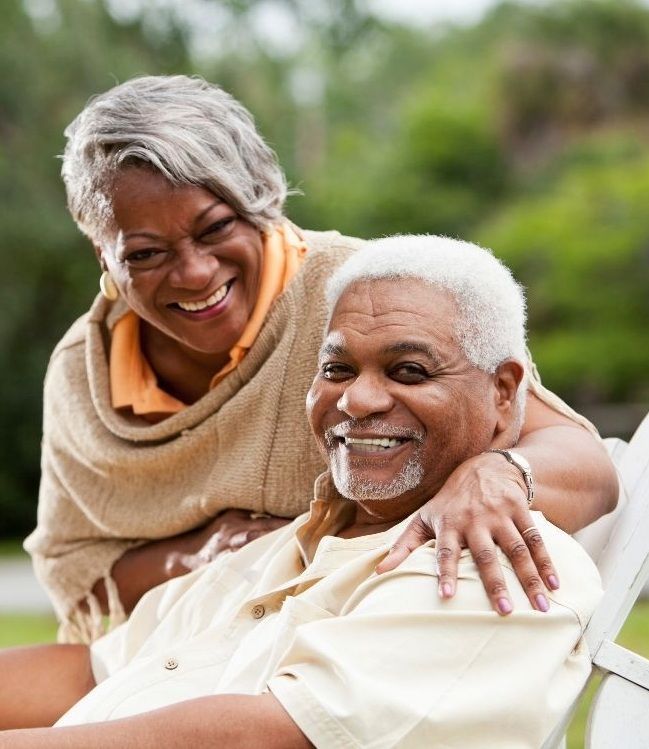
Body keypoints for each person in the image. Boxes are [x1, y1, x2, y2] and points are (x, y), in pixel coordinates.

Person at [24, 74, 617, 643]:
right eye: (146, 254)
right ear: (103, 254)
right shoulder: (83, 371)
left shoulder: (366, 298)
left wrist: (499, 472)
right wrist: (213, 554)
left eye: (216, 228)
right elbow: (77, 567)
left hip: (358, 637)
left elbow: (583, 464)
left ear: (261, 203)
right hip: (174, 657)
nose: (195, 273)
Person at [1, 236, 602, 747]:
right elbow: (92, 669)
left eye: (409, 371)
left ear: (503, 392)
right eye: (337, 369)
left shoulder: (493, 562)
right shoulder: (287, 543)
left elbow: (279, 733)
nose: (357, 400)